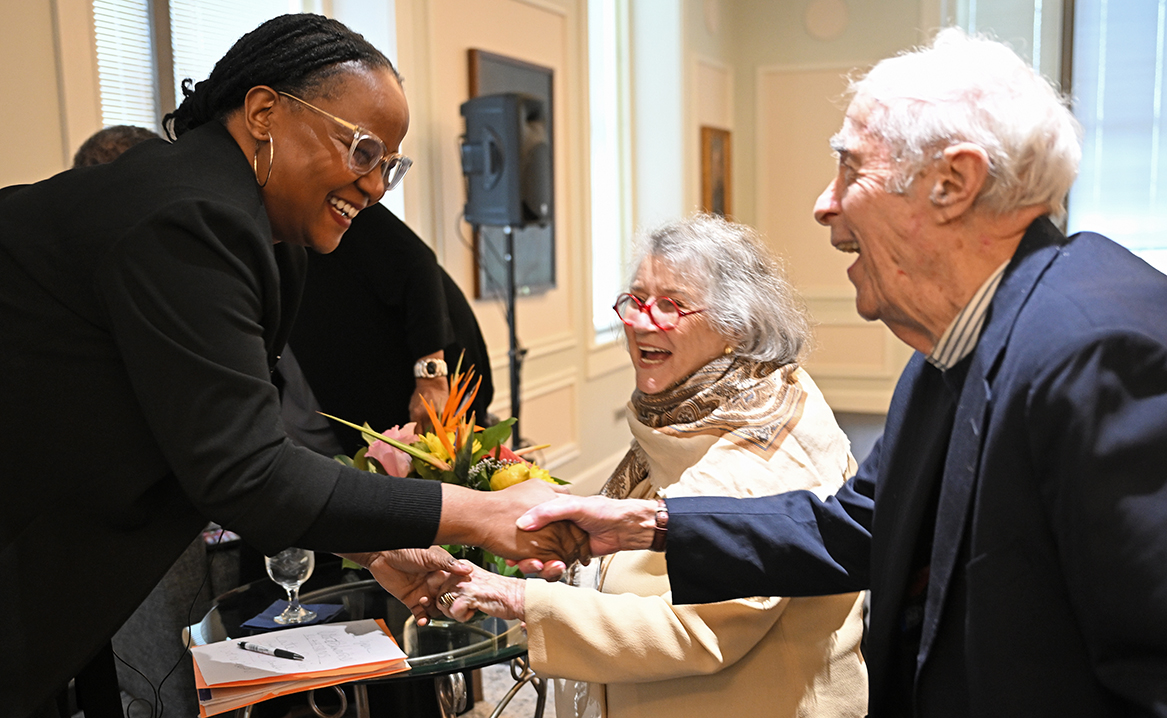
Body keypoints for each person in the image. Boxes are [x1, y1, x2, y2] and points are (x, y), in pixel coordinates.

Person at [516, 28, 1167, 717]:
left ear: (952, 182)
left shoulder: (1096, 349)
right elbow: (854, 528)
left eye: (849, 170)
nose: (823, 205)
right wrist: (645, 525)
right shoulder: (951, 346)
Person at [0, 14, 579, 718]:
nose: (373, 186)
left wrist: (376, 550)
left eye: (388, 166)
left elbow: (248, 436)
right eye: (361, 149)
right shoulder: (188, 215)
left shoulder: (264, 231)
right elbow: (244, 475)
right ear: (264, 111)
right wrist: (481, 514)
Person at [434, 215, 868, 718]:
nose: (640, 322)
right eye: (636, 300)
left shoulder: (765, 444)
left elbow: (698, 632)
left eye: (671, 305)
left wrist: (520, 598)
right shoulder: (692, 413)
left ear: (736, 325)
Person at [281, 202, 494, 455]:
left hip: (424, 375)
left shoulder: (327, 195)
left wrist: (431, 378)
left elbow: (417, 264)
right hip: (325, 391)